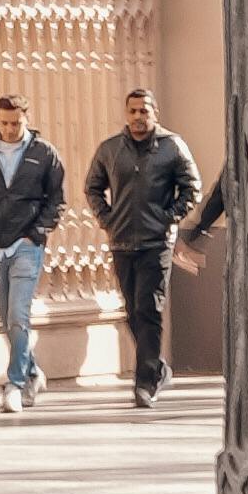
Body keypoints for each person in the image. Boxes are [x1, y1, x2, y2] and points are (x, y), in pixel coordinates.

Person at [91, 84, 220, 410]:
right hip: (121, 242)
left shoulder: (171, 147)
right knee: (133, 310)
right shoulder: (110, 149)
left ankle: (145, 382)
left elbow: (192, 187)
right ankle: (158, 366)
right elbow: (93, 187)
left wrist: (170, 218)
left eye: (144, 111)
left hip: (156, 242)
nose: (138, 117)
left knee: (149, 308)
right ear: (126, 114)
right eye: (133, 111)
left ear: (154, 113)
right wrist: (107, 219)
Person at [0, 89, 66, 418]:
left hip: (27, 245)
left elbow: (57, 199)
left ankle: (14, 384)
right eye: (4, 123)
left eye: (16, 123)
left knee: (18, 316)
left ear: (26, 119)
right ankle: (33, 371)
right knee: (5, 318)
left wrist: (36, 233)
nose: (10, 129)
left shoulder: (44, 153)